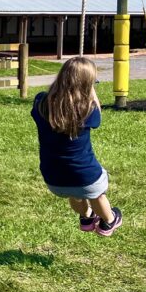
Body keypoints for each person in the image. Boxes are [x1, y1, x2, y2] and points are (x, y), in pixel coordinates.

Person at [31, 56, 122, 236]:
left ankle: (86, 218)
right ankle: (108, 222)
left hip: (54, 179)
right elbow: (98, 115)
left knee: (75, 193)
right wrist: (90, 89)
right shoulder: (88, 110)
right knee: (97, 194)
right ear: (88, 84)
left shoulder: (41, 102)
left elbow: (47, 99)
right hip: (86, 176)